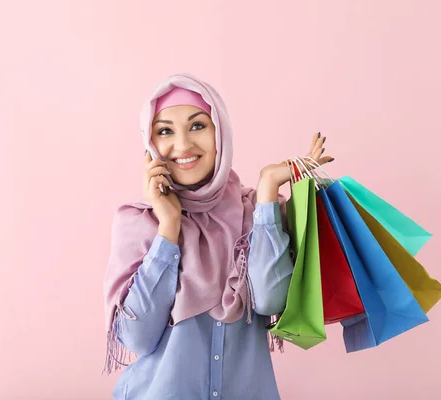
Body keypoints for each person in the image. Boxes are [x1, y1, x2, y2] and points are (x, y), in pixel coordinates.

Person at [103, 73, 333, 399]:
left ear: (220, 133)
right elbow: (136, 338)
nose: (182, 145)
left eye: (198, 125)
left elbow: (270, 299)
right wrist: (168, 229)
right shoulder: (139, 222)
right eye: (165, 130)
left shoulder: (258, 212)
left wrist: (268, 188)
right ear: (150, 144)